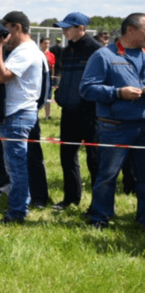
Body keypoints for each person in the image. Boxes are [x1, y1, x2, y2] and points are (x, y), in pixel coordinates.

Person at [79, 13, 145, 229]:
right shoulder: (104, 56)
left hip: (142, 125)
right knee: (108, 175)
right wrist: (118, 93)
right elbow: (87, 89)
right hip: (114, 126)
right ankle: (100, 217)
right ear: (131, 30)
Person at [0, 11, 48, 224]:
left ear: (16, 27)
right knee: (15, 166)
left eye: (5, 30)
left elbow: (1, 76)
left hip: (17, 115)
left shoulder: (24, 51)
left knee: (16, 168)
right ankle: (18, 208)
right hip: (18, 113)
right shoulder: (27, 50)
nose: (3, 35)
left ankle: (17, 213)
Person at [52, 13, 102, 212]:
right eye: (63, 28)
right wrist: (60, 94)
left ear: (81, 28)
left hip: (91, 113)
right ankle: (70, 199)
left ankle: (98, 205)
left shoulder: (97, 50)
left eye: (68, 28)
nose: (64, 32)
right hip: (68, 112)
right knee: (67, 157)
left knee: (94, 160)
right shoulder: (66, 51)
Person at [40, 37, 55, 119]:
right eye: (45, 43)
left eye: (48, 43)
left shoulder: (51, 55)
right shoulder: (36, 53)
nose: (47, 45)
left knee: (48, 97)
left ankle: (47, 115)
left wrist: (52, 77)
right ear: (41, 44)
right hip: (38, 78)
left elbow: (52, 67)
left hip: (48, 78)